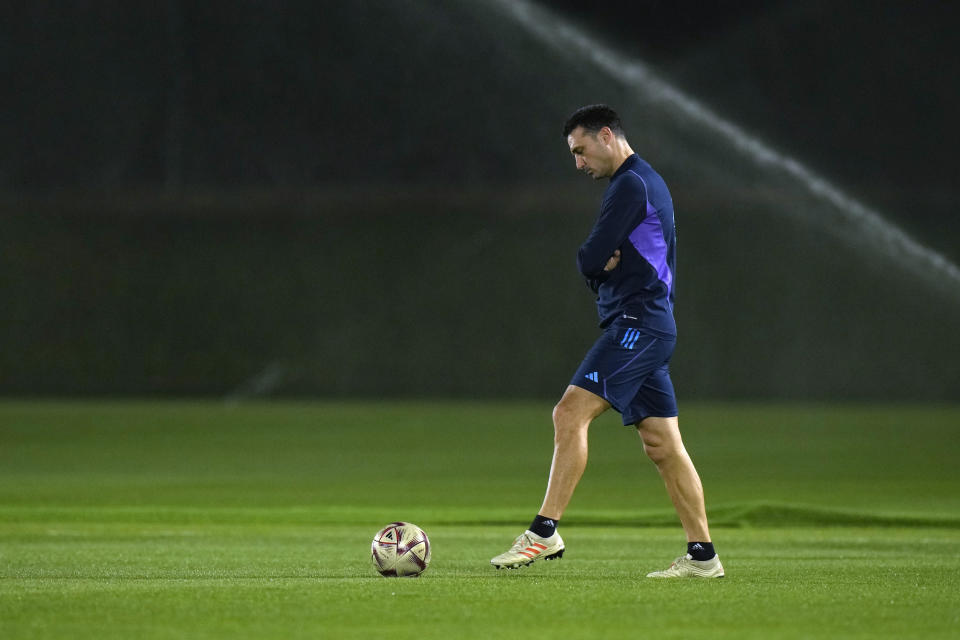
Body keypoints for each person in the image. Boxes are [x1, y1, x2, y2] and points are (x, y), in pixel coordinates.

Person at [490, 104, 723, 578]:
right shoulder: (643, 181)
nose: (578, 163)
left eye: (580, 151)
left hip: (638, 324)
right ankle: (704, 558)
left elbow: (591, 255)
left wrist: (596, 265)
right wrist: (602, 266)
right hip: (650, 324)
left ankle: (543, 532)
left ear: (605, 136)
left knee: (569, 411)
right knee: (662, 444)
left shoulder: (630, 184)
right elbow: (603, 258)